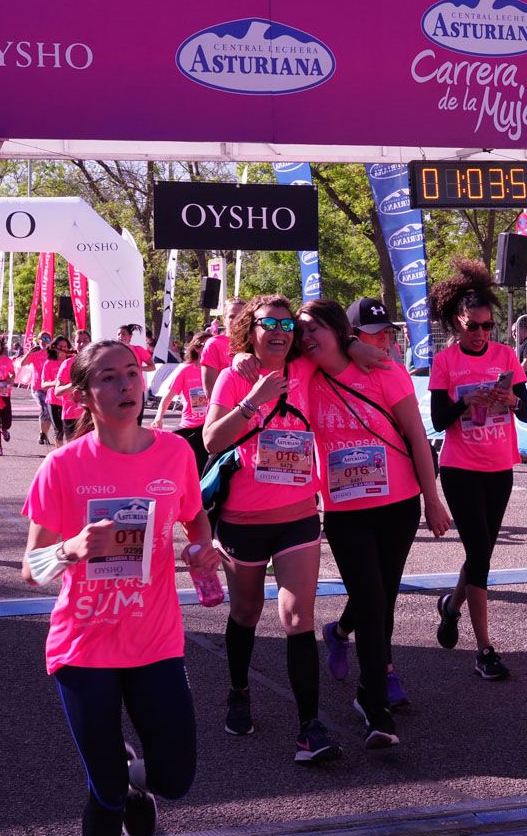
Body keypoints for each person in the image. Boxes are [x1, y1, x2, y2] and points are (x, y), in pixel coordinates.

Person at [21, 338, 217, 836]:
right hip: (85, 645)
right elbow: (31, 568)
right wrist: (71, 549)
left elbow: (195, 520)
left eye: (131, 372)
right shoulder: (62, 466)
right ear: (85, 396)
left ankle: (136, 782)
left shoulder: (175, 454)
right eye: (108, 377)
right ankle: (118, 788)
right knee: (104, 793)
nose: (125, 384)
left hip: (155, 641)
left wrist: (201, 551)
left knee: (175, 778)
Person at [296, 298, 452, 748]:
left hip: (398, 504)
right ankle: (378, 710)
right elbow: (266, 349)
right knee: (368, 599)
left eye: (314, 330)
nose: (306, 339)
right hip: (345, 512)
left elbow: (418, 438)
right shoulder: (306, 372)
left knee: (382, 600)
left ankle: (370, 691)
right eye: (301, 332)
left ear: (334, 328)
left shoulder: (384, 371)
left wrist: (432, 500)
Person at [203, 294, 339, 764]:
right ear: (251, 329)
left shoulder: (304, 368)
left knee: (299, 619)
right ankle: (239, 691)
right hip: (243, 519)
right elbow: (210, 439)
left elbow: (336, 343)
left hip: (298, 513)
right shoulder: (234, 374)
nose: (279, 331)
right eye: (268, 324)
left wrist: (361, 348)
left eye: (286, 324)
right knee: (246, 612)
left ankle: (309, 727)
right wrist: (252, 400)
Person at [427, 259, 527, 681]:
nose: (481, 334)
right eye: (474, 326)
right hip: (460, 468)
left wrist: (511, 402)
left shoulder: (506, 355)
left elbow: (526, 413)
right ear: (457, 322)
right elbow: (437, 421)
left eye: (488, 326)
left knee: (481, 551)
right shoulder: (446, 362)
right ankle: (485, 648)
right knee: (481, 554)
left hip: (499, 465)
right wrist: (467, 401)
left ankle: (450, 607)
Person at [150, 330, 212, 472]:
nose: (211, 348)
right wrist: (158, 418)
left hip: (210, 426)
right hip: (190, 426)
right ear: (196, 348)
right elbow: (167, 398)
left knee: (204, 469)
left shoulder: (218, 370)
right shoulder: (185, 370)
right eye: (207, 344)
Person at [200, 297, 248, 397]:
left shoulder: (255, 343)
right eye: (232, 316)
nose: (237, 320)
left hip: (255, 410)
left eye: (241, 316)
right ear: (224, 319)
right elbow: (210, 391)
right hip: (225, 410)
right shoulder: (214, 344)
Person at [20, 334, 55, 446]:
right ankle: (42, 434)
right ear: (38, 341)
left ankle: (43, 434)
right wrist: (29, 352)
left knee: (49, 412)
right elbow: (22, 364)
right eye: (42, 339)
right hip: (37, 387)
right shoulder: (35, 354)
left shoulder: (53, 354)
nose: (45, 341)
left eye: (47, 339)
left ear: (51, 341)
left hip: (49, 387)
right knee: (45, 409)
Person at [43, 336, 76, 444]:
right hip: (54, 401)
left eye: (65, 346)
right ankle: (60, 455)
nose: (63, 348)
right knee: (59, 431)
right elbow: (43, 384)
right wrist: (55, 383)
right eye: (60, 346)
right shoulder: (49, 363)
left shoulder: (71, 362)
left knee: (72, 433)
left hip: (68, 401)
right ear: (55, 348)